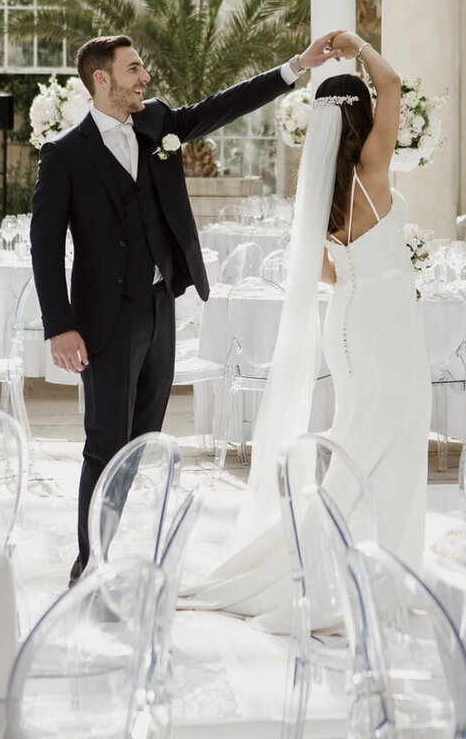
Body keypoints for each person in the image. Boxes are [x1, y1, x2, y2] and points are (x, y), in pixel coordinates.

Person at [29, 30, 345, 584]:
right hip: (104, 320)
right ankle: (89, 561)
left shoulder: (158, 124)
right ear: (102, 80)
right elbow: (45, 244)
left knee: (142, 439)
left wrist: (297, 66)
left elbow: (225, 105)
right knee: (106, 441)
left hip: (158, 308)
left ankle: (114, 543)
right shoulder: (64, 156)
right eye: (133, 70)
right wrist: (60, 327)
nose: (144, 78)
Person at [182, 32, 431, 630]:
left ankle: (335, 555)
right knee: (392, 440)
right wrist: (361, 45)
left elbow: (323, 270)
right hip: (387, 322)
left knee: (356, 441)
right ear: (366, 118)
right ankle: (377, 568)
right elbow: (393, 82)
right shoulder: (374, 167)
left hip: (345, 322)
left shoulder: (326, 192)